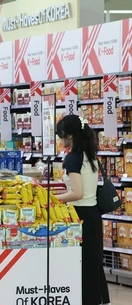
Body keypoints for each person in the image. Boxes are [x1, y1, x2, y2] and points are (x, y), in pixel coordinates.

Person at [55, 115, 110, 305]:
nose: (60, 140)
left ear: (70, 135)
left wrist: (53, 199)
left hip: (80, 216)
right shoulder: (89, 155)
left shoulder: (73, 159)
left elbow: (77, 193)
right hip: (93, 214)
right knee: (93, 263)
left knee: (84, 266)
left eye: (61, 135)